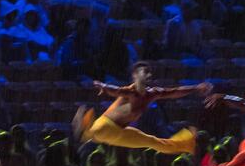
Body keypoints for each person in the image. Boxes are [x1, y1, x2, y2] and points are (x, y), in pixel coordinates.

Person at [73, 62, 211, 154]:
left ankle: (189, 143)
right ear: (135, 75)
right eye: (145, 72)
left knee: (154, 142)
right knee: (96, 132)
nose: (149, 75)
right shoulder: (130, 91)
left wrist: (195, 88)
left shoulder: (152, 93)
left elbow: (175, 91)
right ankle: (86, 131)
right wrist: (103, 86)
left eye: (150, 72)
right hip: (105, 126)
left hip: (118, 132)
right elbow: (116, 90)